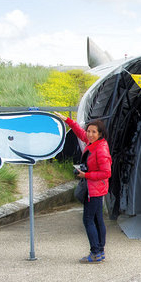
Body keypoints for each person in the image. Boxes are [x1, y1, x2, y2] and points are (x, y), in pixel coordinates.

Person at [54, 112, 112, 264]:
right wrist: (67, 120)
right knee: (97, 219)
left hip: (94, 189)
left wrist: (86, 175)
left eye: (94, 132)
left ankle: (95, 252)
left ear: (100, 134)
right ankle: (100, 251)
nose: (90, 134)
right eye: (89, 131)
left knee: (88, 220)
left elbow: (106, 172)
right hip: (95, 188)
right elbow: (80, 133)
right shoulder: (94, 143)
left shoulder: (101, 150)